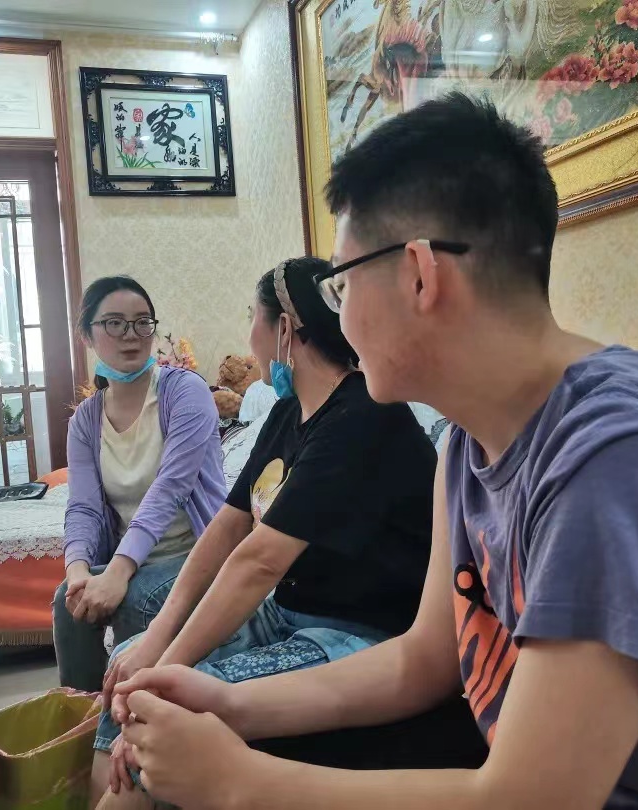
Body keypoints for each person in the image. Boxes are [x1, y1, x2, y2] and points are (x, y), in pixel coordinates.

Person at [109, 93, 638, 809]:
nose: (340, 318)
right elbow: (424, 660)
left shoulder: (624, 458)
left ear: (420, 274)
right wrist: (229, 704)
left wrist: (238, 782)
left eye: (343, 284)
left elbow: (534, 799)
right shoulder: (469, 443)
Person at [90, 257, 439, 809]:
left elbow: (259, 561)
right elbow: (228, 528)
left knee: (159, 703)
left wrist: (168, 666)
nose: (248, 333)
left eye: (252, 315)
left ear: (284, 328)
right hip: (288, 611)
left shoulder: (363, 416)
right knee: (131, 661)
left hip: (356, 633)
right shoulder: (286, 414)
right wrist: (155, 642)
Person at [53, 276, 225, 691]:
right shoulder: (86, 420)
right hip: (136, 561)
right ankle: (84, 714)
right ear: (87, 336)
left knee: (135, 598)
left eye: (142, 322)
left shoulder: (185, 392)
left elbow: (171, 488)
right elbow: (83, 507)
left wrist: (118, 571)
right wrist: (78, 571)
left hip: (198, 555)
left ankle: (133, 717)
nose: (130, 335)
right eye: (114, 323)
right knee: (66, 601)